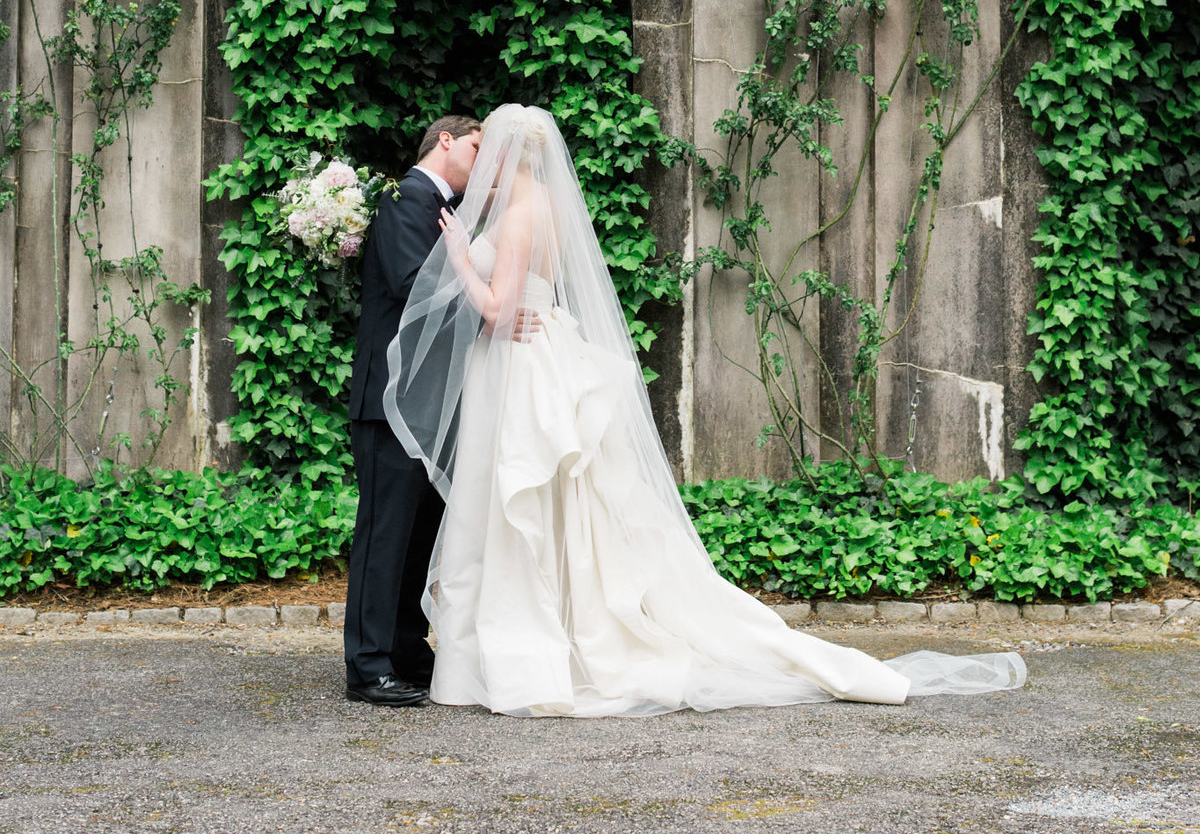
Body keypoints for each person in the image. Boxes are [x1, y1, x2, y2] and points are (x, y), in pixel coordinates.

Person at [384, 104, 1027, 719]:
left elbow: (496, 311)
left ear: (505, 153)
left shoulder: (519, 213)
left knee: (525, 504)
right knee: (555, 507)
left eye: (487, 147)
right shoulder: (542, 204)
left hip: (524, 365)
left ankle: (535, 651)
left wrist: (465, 261)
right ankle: (555, 636)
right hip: (538, 354)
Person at [343, 113, 481, 706]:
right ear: (445, 139)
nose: (484, 159)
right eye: (478, 146)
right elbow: (410, 283)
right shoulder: (407, 197)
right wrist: (477, 278)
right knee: (384, 531)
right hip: (389, 396)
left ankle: (404, 647)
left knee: (418, 532)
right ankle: (368, 664)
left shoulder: (447, 207)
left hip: (427, 399)